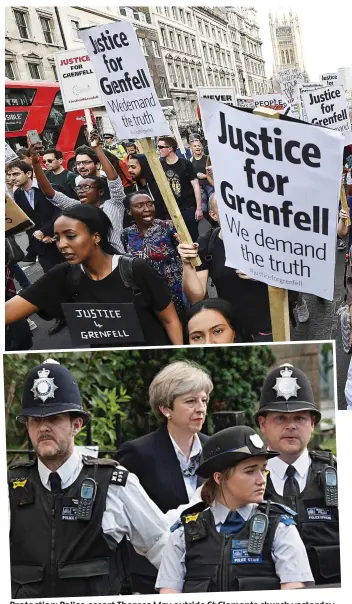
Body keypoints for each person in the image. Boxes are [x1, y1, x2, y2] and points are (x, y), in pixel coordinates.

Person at [8, 359, 174, 599]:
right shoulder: (10, 487)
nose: (43, 427)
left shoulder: (114, 485)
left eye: (54, 418)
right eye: (35, 420)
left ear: (76, 425)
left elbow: (163, 547)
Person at [156, 425, 314, 593]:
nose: (261, 480)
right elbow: (169, 594)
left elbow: (295, 592)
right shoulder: (184, 533)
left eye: (263, 469)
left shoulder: (280, 528)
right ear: (219, 477)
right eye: (250, 471)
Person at [5, 204, 183, 347]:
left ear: (96, 237)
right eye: (57, 238)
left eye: (71, 236)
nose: (62, 245)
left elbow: (170, 320)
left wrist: (179, 359)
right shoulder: (63, 275)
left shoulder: (136, 269)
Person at [117, 360, 212, 594]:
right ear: (165, 409)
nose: (200, 408)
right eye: (190, 401)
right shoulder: (138, 453)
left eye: (204, 400)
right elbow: (125, 519)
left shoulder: (213, 449)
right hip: (152, 576)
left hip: (205, 572)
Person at [255, 363, 340, 585]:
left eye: (300, 418)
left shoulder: (339, 476)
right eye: (280, 419)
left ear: (312, 423)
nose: (290, 426)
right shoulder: (242, 481)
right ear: (263, 424)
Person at [178, 194, 273, 341]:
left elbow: (292, 273)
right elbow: (196, 296)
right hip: (232, 326)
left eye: (238, 205)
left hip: (268, 323)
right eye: (226, 207)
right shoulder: (206, 242)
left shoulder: (267, 237)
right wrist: (186, 263)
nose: (234, 212)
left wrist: (263, 272)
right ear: (213, 215)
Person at [28, 132, 125, 254]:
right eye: (79, 189)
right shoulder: (77, 208)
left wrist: (97, 149)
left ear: (100, 191)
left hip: (118, 261)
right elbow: (50, 193)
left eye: (86, 188)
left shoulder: (113, 205)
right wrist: (35, 162)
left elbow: (114, 181)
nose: (81, 191)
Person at [121, 191, 184, 319]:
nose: (147, 209)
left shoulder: (168, 226)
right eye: (139, 206)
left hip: (174, 287)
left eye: (150, 204)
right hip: (147, 290)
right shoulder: (126, 234)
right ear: (129, 211)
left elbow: (183, 251)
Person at [6, 159, 64, 271]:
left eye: (16, 174)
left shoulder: (48, 188)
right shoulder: (18, 194)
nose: (12, 178)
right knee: (53, 280)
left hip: (60, 239)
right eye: (9, 175)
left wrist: (45, 231)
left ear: (28, 173)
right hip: (41, 246)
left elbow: (61, 212)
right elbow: (27, 220)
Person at [158, 135, 203, 242]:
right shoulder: (160, 165)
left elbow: (196, 186)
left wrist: (199, 208)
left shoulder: (185, 164)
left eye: (161, 147)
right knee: (177, 240)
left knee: (193, 238)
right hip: (170, 210)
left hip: (188, 208)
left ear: (170, 148)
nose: (158, 149)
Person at [127, 154, 168, 219]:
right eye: (128, 167)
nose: (129, 170)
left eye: (133, 167)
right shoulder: (135, 189)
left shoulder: (159, 185)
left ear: (144, 167)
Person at [189, 139, 213, 216]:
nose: (197, 147)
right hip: (199, 188)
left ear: (202, 147)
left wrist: (205, 176)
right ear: (191, 148)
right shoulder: (190, 160)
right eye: (195, 146)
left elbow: (214, 172)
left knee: (213, 205)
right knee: (204, 208)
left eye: (199, 145)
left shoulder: (208, 158)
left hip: (210, 185)